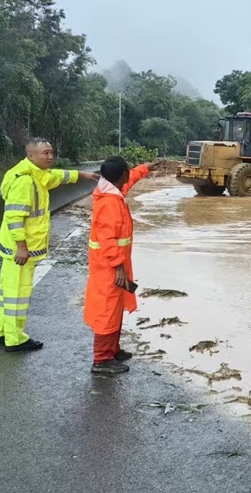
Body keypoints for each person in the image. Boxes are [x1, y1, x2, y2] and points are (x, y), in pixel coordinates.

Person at [0, 138, 99, 352]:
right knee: (18, 294)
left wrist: (83, 175)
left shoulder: (36, 174)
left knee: (8, 291)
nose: (50, 157)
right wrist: (21, 247)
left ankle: (1, 332)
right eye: (45, 153)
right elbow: (14, 217)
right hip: (20, 248)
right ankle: (15, 338)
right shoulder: (25, 181)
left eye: (51, 152)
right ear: (31, 155)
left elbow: (57, 176)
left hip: (18, 246)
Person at [84, 156, 156, 374]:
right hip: (109, 267)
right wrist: (118, 267)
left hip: (113, 264)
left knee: (116, 308)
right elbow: (108, 240)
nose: (128, 176)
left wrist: (144, 168)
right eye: (127, 172)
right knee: (107, 310)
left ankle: (112, 350)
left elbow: (130, 178)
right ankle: (102, 359)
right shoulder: (110, 203)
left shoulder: (112, 192)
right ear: (121, 176)